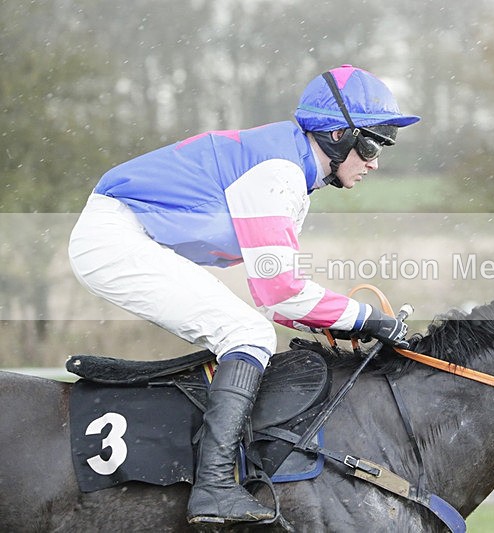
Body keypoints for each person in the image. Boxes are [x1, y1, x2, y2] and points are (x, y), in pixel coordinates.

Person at [68, 64, 420, 525]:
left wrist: (347, 321)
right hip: (115, 237)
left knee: (247, 330)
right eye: (373, 143)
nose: (375, 161)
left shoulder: (291, 169)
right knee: (246, 333)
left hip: (127, 235)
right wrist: (367, 318)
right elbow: (282, 294)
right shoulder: (279, 172)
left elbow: (276, 300)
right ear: (337, 135)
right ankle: (213, 487)